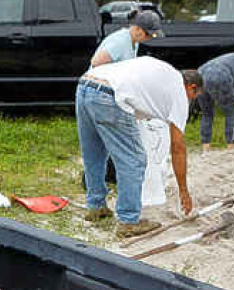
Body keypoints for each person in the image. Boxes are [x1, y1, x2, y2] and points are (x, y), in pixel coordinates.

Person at [76, 56, 203, 237]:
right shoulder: (179, 93)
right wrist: (184, 191)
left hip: (85, 84)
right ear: (191, 87)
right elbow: (178, 147)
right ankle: (128, 221)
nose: (192, 101)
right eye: (195, 96)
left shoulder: (164, 73)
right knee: (134, 161)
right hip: (110, 95)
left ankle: (96, 207)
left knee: (94, 153)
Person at [90, 10, 164, 67]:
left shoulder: (134, 41)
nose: (149, 38)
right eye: (148, 34)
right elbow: (95, 63)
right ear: (138, 29)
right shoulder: (120, 42)